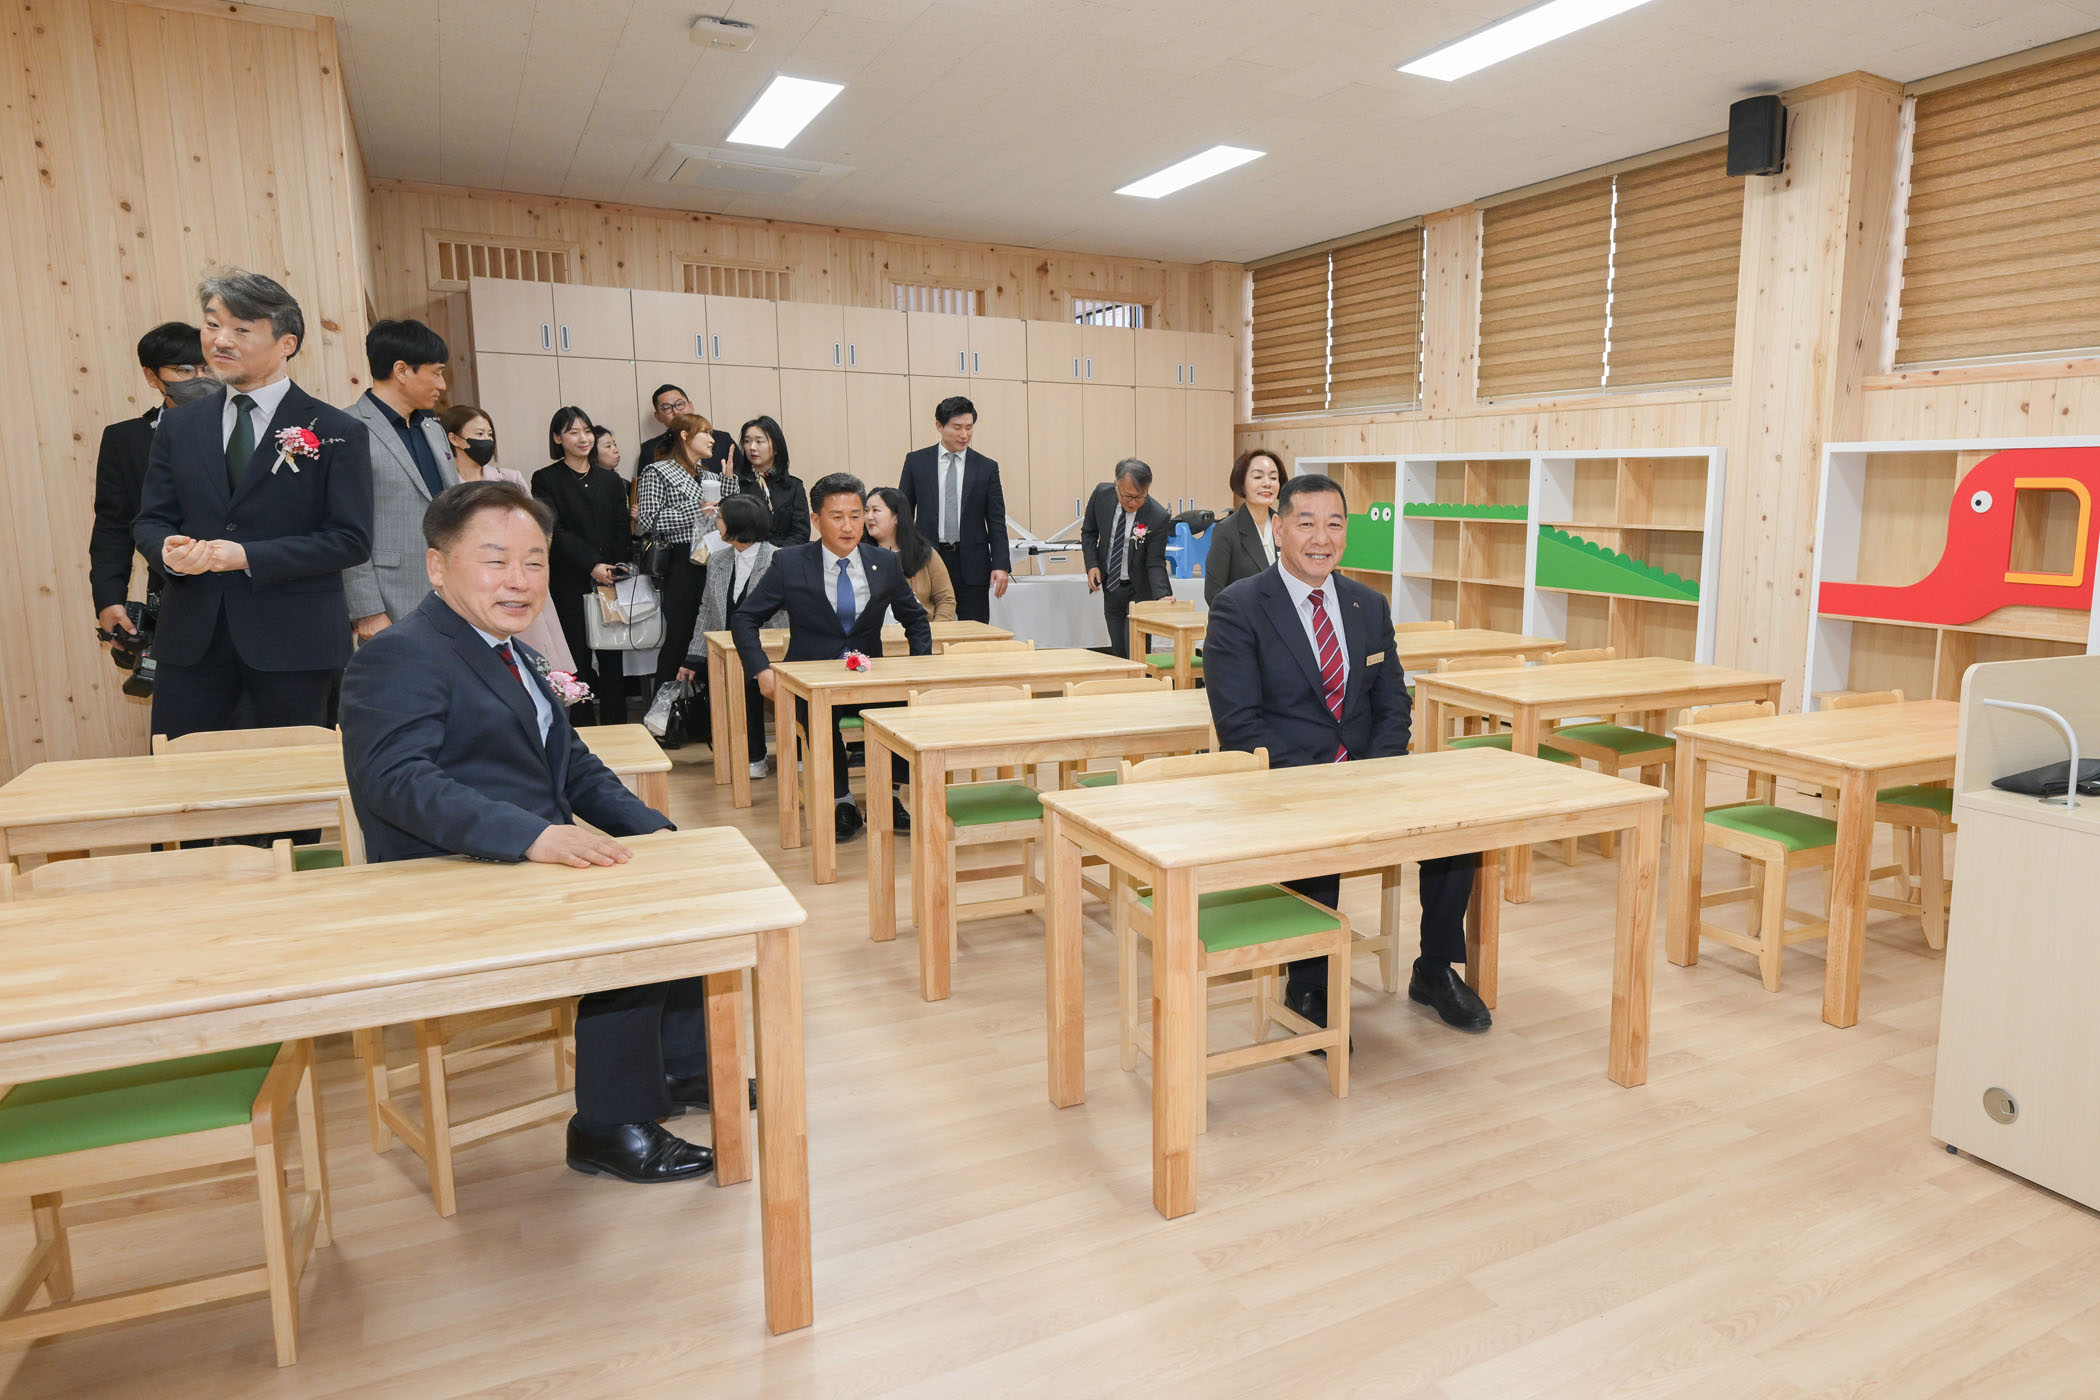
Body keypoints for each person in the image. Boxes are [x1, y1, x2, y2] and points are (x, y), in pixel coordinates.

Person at [338, 479, 717, 1185]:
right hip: (450, 876)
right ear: (437, 566)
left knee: (676, 885)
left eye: (534, 561)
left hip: (518, 865)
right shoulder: (399, 654)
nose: (519, 580)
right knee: (630, 932)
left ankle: (678, 1071)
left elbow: (573, 766)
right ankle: (608, 1128)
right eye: (495, 561)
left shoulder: (511, 651)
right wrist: (533, 836)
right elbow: (396, 780)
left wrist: (662, 836)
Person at [1203, 472, 1488, 1037]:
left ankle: (1434, 968)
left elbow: (1393, 703)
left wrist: (1372, 772)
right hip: (1286, 781)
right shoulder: (1240, 607)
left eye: (1334, 524)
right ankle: (1307, 984)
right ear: (1278, 529)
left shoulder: (1367, 605)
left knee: (1458, 831)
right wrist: (1324, 783)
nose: (1321, 538)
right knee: (1317, 841)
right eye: (1306, 523)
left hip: (1369, 773)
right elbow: (1239, 724)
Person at [133, 269, 373, 740]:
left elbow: (350, 539)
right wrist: (168, 551)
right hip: (191, 645)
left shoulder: (335, 429)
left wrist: (247, 556)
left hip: (295, 647)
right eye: (212, 325)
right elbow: (151, 519)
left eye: (241, 329)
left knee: (294, 778)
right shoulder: (180, 426)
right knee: (188, 775)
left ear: (286, 343)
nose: (220, 340)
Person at [731, 472, 932, 841]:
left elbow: (916, 620)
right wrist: (761, 670)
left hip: (869, 678)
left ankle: (889, 796)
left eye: (856, 516)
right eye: (837, 517)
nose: (849, 526)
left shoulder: (884, 563)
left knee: (906, 708)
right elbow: (745, 618)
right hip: (810, 681)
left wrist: (919, 667)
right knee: (820, 721)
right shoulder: (789, 563)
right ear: (816, 519)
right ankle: (841, 801)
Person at [90, 321, 207, 640]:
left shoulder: (248, 427)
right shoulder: (126, 440)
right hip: (176, 598)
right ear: (151, 376)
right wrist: (109, 598)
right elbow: (113, 525)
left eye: (207, 368)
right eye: (184, 370)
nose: (199, 378)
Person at [343, 319, 458, 643]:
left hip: (449, 592)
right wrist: (367, 609)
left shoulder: (433, 429)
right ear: (402, 370)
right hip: (390, 600)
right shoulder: (348, 428)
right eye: (436, 372)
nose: (442, 384)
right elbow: (345, 524)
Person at [440, 403, 575, 675]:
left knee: (531, 654)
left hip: (516, 573)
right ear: (454, 439)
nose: (487, 441)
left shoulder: (509, 478)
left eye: (490, 434)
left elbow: (537, 526)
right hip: (471, 580)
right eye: (479, 434)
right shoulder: (444, 483)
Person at [637, 411, 743, 713]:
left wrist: (729, 481)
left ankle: (705, 715)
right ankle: (662, 716)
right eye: (705, 432)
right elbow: (647, 521)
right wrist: (696, 509)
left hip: (715, 559)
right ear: (685, 435)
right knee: (681, 638)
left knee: (714, 637)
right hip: (680, 562)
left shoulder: (710, 476)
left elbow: (727, 514)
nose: (712, 439)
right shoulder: (657, 471)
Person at [531, 407, 629, 725]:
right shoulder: (545, 479)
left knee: (612, 659)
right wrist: (591, 564)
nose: (583, 438)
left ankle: (617, 727)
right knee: (576, 659)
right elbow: (554, 531)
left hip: (609, 581)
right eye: (573, 432)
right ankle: (582, 729)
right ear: (558, 438)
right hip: (569, 579)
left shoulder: (610, 480)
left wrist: (613, 568)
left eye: (587, 431)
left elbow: (620, 528)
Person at [679, 494, 785, 777]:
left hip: (771, 650)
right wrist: (694, 656)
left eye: (720, 517)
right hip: (727, 649)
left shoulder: (778, 559)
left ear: (738, 523)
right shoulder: (718, 559)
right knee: (736, 695)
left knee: (760, 690)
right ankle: (752, 756)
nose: (716, 522)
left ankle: (790, 754)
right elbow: (707, 609)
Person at [897, 395, 1009, 622]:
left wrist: (1000, 564)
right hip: (927, 558)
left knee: (974, 628)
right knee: (928, 625)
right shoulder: (916, 462)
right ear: (939, 426)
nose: (964, 434)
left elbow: (996, 519)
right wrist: (900, 556)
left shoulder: (986, 467)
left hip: (972, 562)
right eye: (957, 427)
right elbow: (903, 513)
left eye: (969, 427)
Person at [1079, 458, 1172, 657]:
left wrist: (1162, 594)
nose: (1133, 502)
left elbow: (1155, 561)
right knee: (1118, 651)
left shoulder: (1157, 516)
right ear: (1116, 485)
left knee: (1137, 652)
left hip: (1139, 591)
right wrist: (1092, 564)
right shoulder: (1101, 495)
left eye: (1140, 497)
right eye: (1127, 496)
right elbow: (1089, 533)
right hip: (1111, 586)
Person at [1204, 448, 1285, 604]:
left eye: (1273, 478)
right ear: (1242, 483)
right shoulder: (1226, 531)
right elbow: (1213, 593)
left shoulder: (1286, 526)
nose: (1267, 483)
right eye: (1258, 477)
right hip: (1243, 617)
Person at [867, 485, 956, 622]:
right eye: (866, 510)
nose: (869, 517)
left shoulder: (924, 553)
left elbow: (946, 600)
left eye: (875, 510)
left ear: (896, 517)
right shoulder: (861, 554)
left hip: (921, 630)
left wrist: (936, 630)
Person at [737, 416, 810, 548]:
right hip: (749, 554)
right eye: (747, 441)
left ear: (776, 447)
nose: (752, 447)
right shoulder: (737, 483)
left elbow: (801, 533)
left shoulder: (794, 486)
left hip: (786, 556)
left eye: (759, 441)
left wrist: (778, 554)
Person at [638, 383, 737, 476]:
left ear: (691, 406)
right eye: (667, 408)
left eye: (679, 404)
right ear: (658, 416)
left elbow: (741, 477)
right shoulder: (650, 449)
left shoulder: (722, 439)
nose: (676, 411)